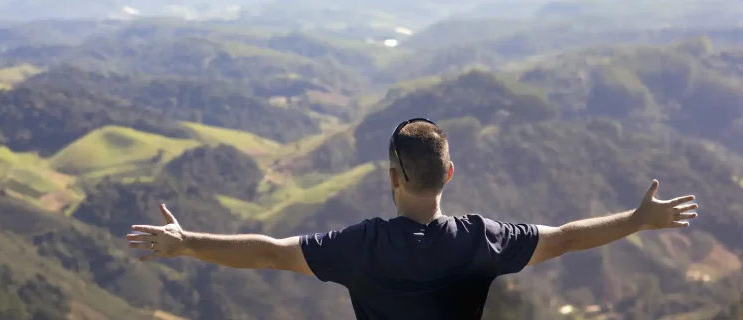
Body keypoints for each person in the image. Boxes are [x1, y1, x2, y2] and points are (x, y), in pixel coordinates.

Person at [126, 117, 700, 319]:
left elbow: (270, 251)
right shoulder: (482, 242)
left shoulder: (363, 246)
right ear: (449, 175)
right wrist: (637, 218)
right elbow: (568, 238)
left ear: (393, 179)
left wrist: (187, 242)